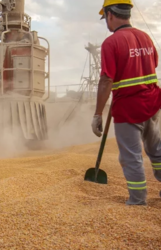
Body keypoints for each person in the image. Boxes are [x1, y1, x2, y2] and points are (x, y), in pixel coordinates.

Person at [91, 0, 161, 205]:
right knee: (157, 151)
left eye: (105, 17)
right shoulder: (145, 37)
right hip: (153, 104)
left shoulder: (111, 43)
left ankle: (138, 200)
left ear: (111, 14)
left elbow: (106, 80)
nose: (106, 22)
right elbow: (152, 64)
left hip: (129, 108)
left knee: (131, 157)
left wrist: (97, 114)